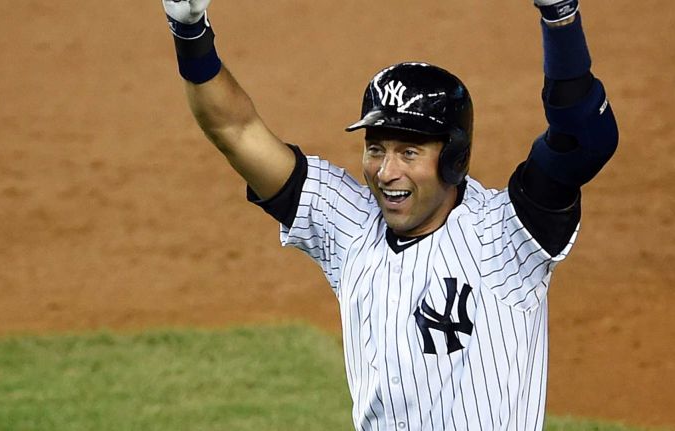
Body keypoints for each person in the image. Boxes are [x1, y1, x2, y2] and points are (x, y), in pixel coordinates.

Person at [160, 0, 618, 429]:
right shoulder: (347, 225)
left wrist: (560, 16)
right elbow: (235, 130)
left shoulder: (507, 235)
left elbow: (586, 136)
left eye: (409, 152)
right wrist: (190, 29)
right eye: (375, 148)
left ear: (454, 157)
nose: (385, 170)